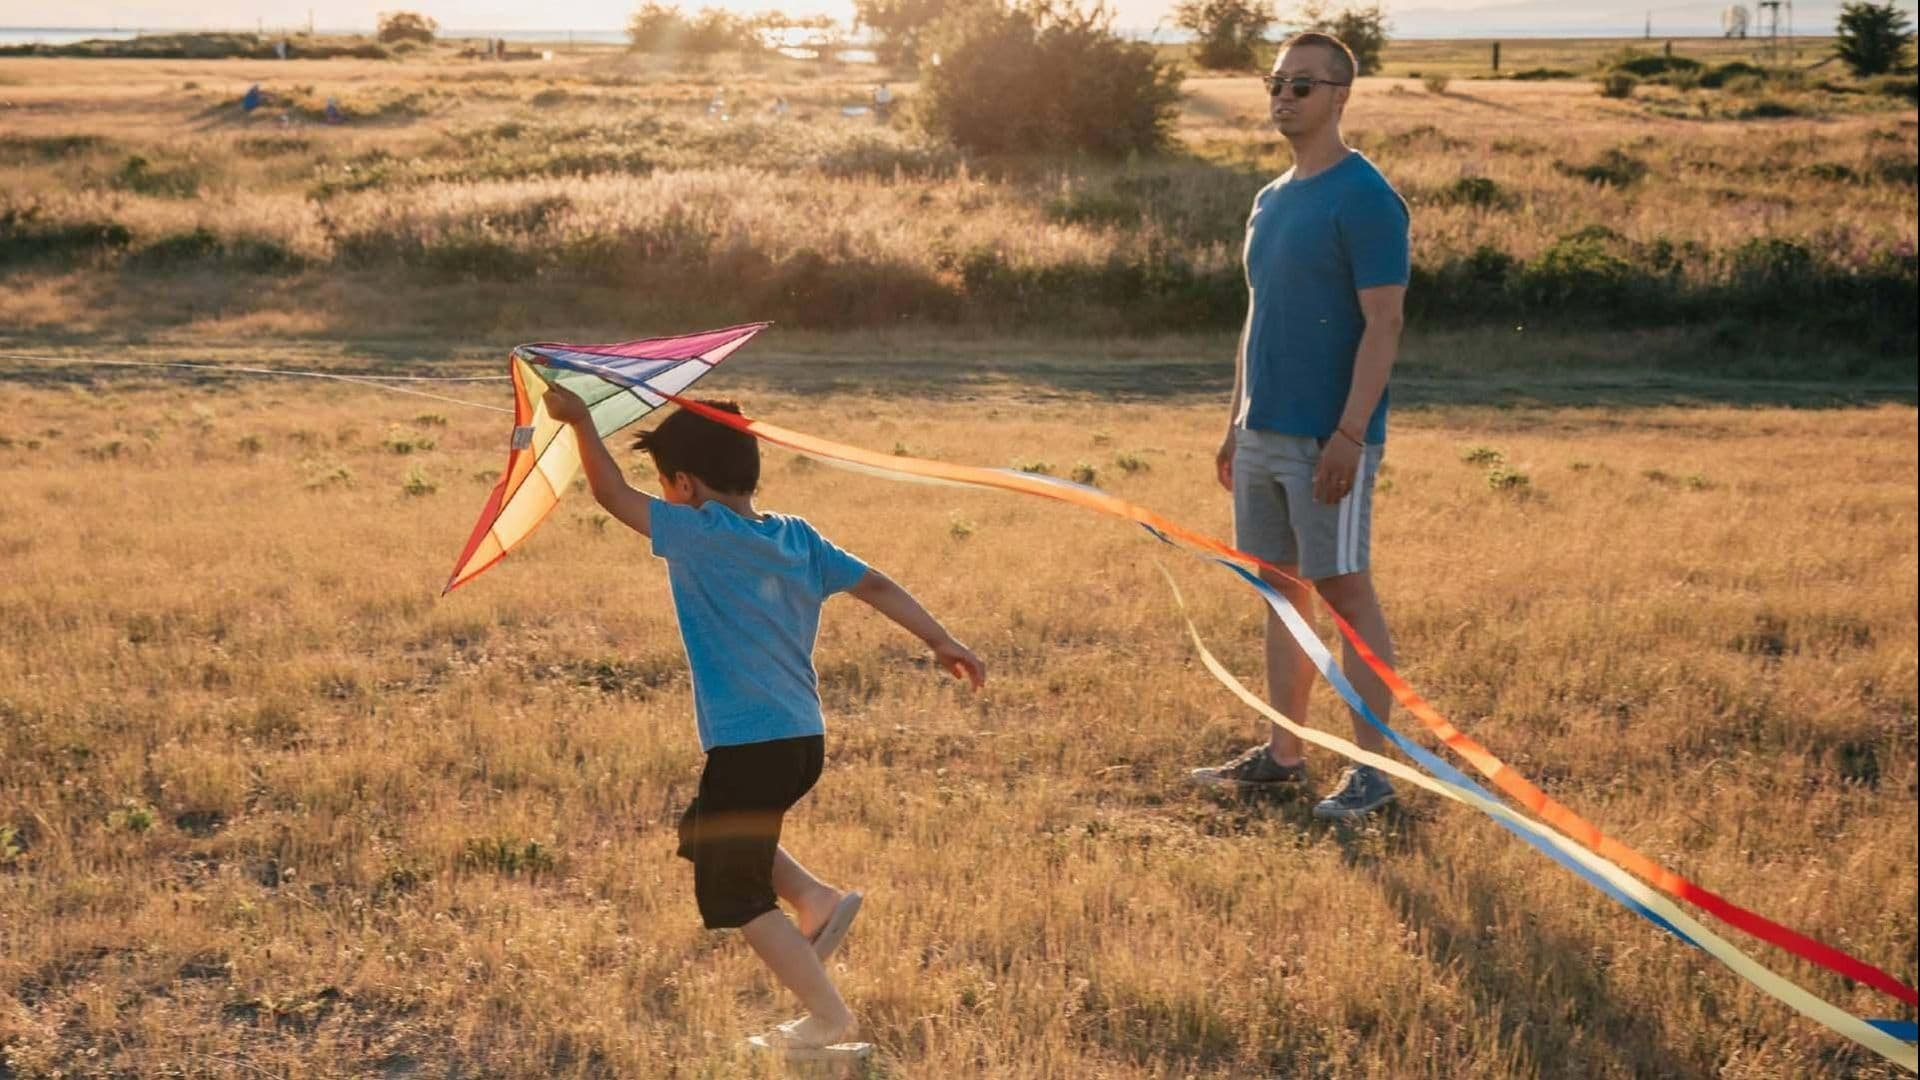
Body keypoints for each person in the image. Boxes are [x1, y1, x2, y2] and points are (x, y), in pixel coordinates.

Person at [542, 388, 986, 1057]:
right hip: (801, 740)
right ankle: (816, 901)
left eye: (666, 485)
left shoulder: (699, 532)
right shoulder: (798, 537)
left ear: (684, 486)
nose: (663, 497)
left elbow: (610, 495)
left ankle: (827, 1019)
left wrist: (580, 422)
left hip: (751, 745)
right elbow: (877, 585)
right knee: (705, 831)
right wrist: (940, 639)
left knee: (734, 889)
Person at [1190, 31, 1411, 822]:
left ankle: (1374, 775)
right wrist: (1233, 423)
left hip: (1328, 439)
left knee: (1345, 593)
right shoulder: (1270, 199)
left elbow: (1383, 324)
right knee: (1279, 591)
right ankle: (1284, 757)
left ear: (1340, 97)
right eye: (1275, 82)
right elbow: (1259, 318)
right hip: (1259, 434)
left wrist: (1349, 436)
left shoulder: (1367, 197)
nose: (1284, 96)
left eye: (1302, 86)